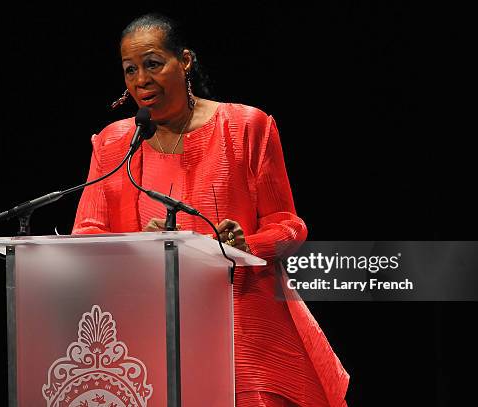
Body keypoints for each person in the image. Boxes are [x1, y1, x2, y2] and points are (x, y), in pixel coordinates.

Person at [72, 13, 349, 407]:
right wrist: (140, 246)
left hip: (244, 326)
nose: (140, 80)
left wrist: (245, 244)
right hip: (151, 330)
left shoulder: (246, 126)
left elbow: (288, 225)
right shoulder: (116, 144)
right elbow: (87, 232)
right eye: (130, 69)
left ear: (184, 61)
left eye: (153, 64)